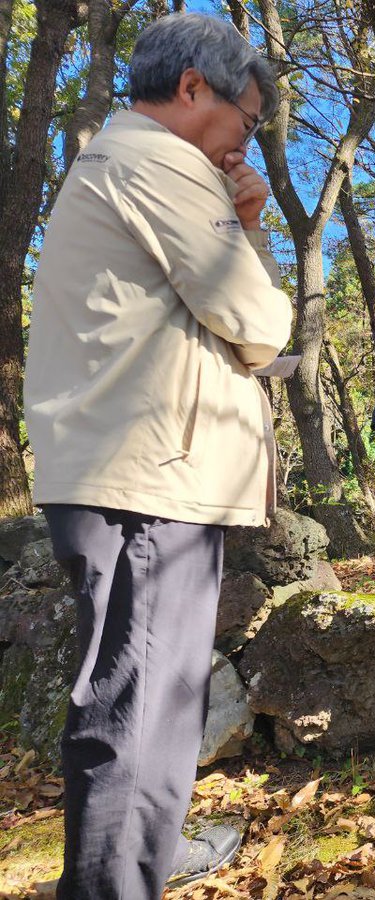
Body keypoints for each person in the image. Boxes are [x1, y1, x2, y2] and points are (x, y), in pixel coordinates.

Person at [23, 14, 293, 897]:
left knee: (150, 698)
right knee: (137, 712)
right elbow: (261, 324)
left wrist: (239, 218)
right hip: (150, 479)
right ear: (191, 91)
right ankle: (115, 880)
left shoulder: (116, 158)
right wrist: (246, 223)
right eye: (246, 122)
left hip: (138, 466)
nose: (244, 141)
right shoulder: (163, 164)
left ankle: (147, 850)